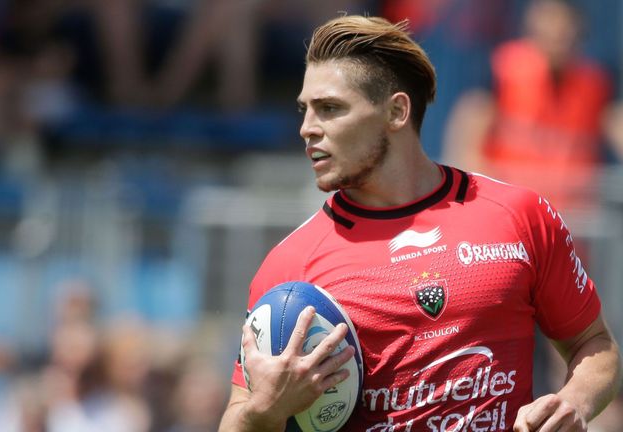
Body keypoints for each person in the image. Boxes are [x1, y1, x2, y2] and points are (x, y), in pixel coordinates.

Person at [218, 14, 621, 432]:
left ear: (396, 111)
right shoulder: (290, 264)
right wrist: (264, 411)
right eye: (305, 110)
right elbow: (236, 417)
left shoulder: (521, 215)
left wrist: (574, 403)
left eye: (330, 109)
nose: (307, 129)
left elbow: (595, 345)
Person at [443, 0, 623, 214]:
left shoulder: (596, 82)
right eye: (549, 20)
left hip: (570, 218)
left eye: (564, 24)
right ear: (531, 24)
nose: (557, 31)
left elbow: (616, 124)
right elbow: (466, 143)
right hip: (510, 213)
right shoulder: (500, 69)